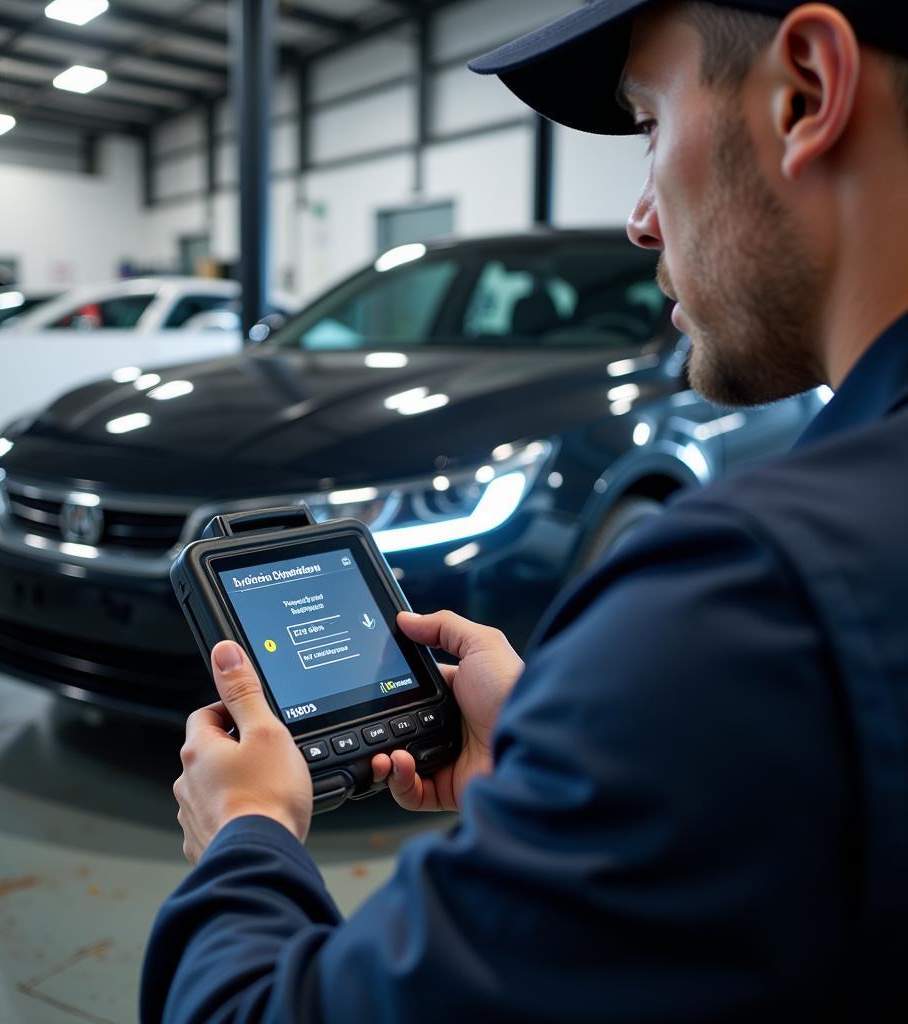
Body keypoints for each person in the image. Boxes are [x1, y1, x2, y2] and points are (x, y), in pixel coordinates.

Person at [141, 1, 908, 1019]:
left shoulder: (746, 599)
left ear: (805, 91)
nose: (640, 215)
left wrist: (246, 836)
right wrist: (583, 743)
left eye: (645, 124)